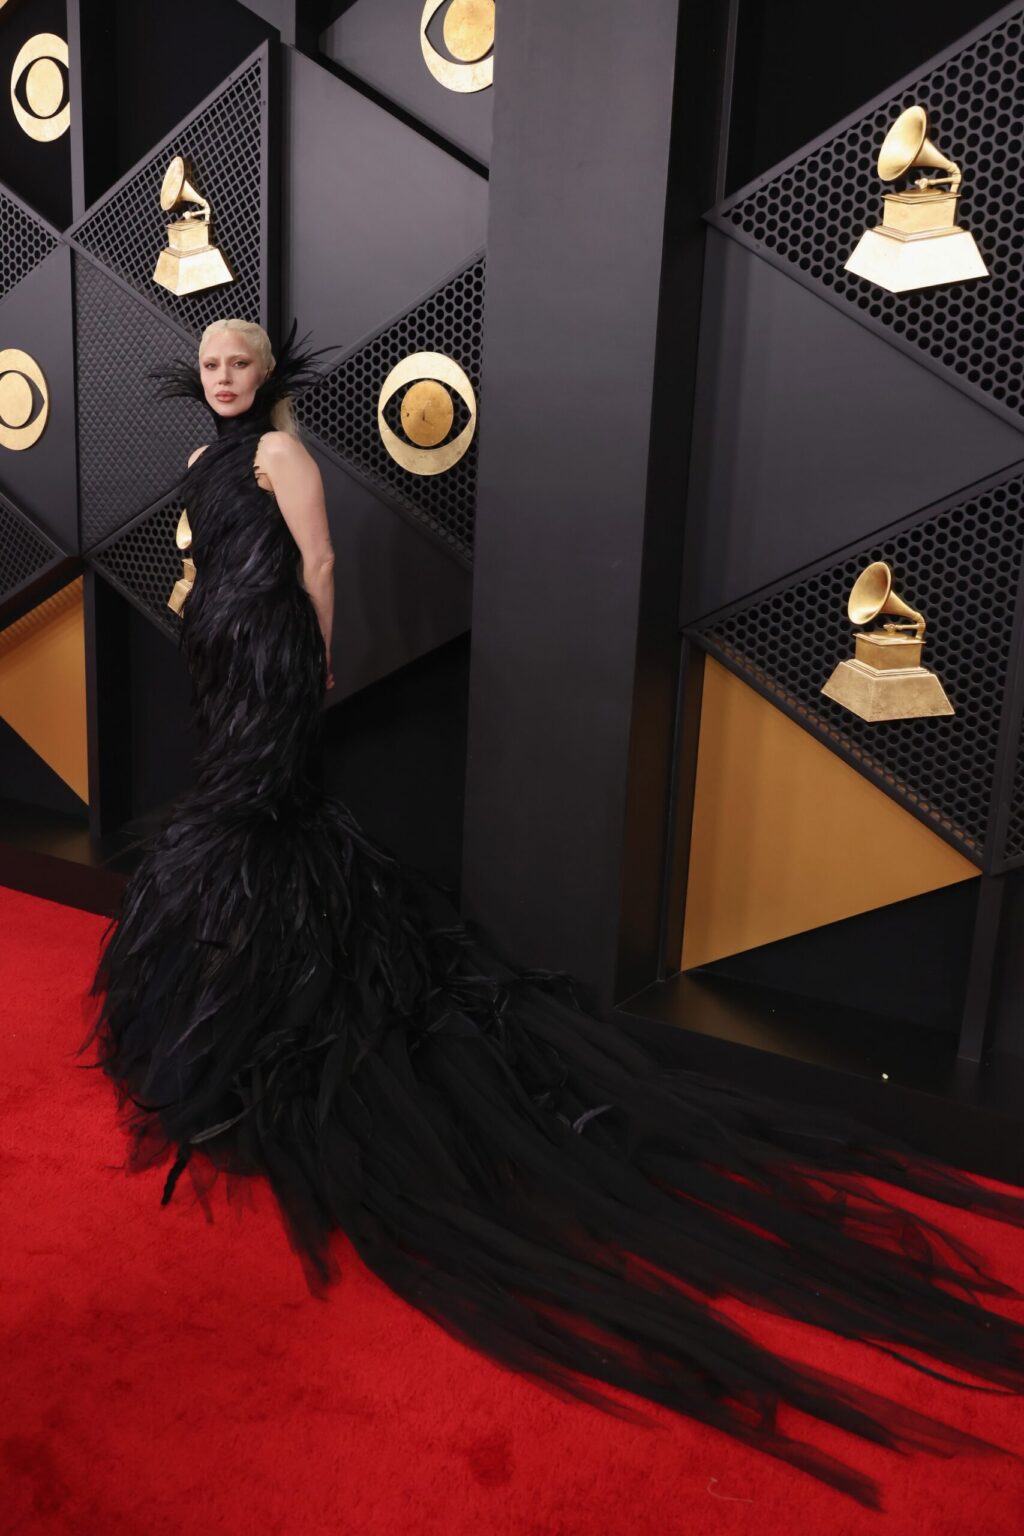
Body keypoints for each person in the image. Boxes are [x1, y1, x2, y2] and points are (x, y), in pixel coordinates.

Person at [79, 317, 1024, 1509]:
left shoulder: (282, 457)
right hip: (219, 652)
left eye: (239, 362)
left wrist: (315, 664)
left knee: (256, 820)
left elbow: (317, 565)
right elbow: (207, 559)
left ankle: (256, 1002)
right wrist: (206, 633)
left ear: (268, 374)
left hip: (272, 658)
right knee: (237, 823)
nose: (223, 376)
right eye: (210, 362)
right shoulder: (196, 466)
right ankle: (234, 999)